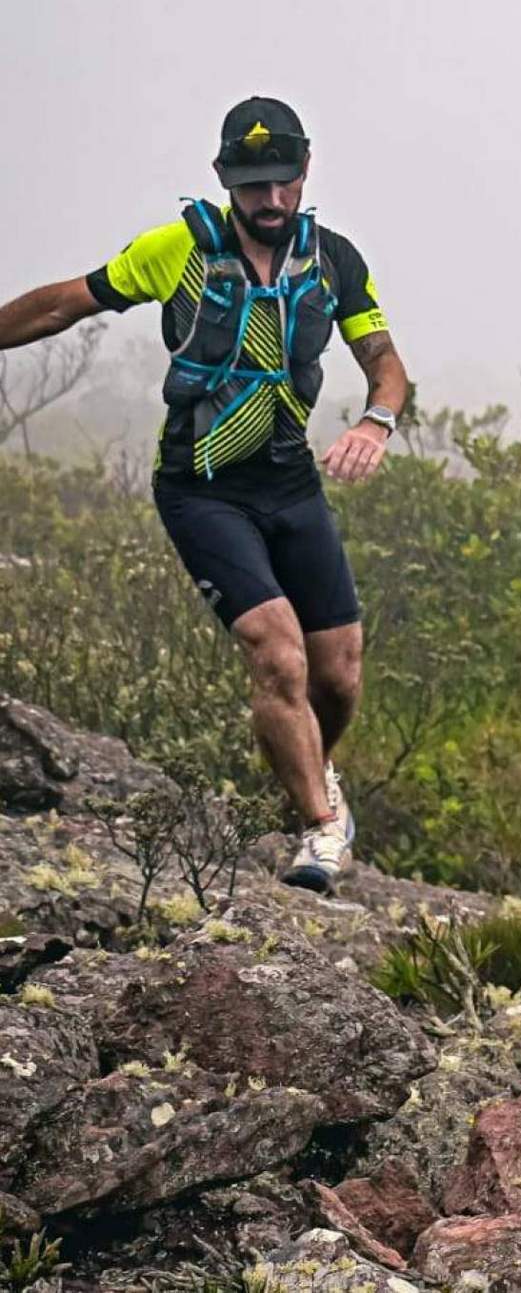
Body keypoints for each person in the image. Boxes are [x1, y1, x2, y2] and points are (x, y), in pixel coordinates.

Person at [0, 97, 408, 895]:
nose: (271, 199)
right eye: (254, 184)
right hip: (202, 489)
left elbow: (385, 360)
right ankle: (320, 830)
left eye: (283, 181)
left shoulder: (334, 261)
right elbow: (63, 303)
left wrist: (377, 421)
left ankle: (316, 772)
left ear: (304, 172)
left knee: (340, 674)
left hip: (291, 484)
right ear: (226, 179)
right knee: (276, 652)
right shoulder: (177, 250)